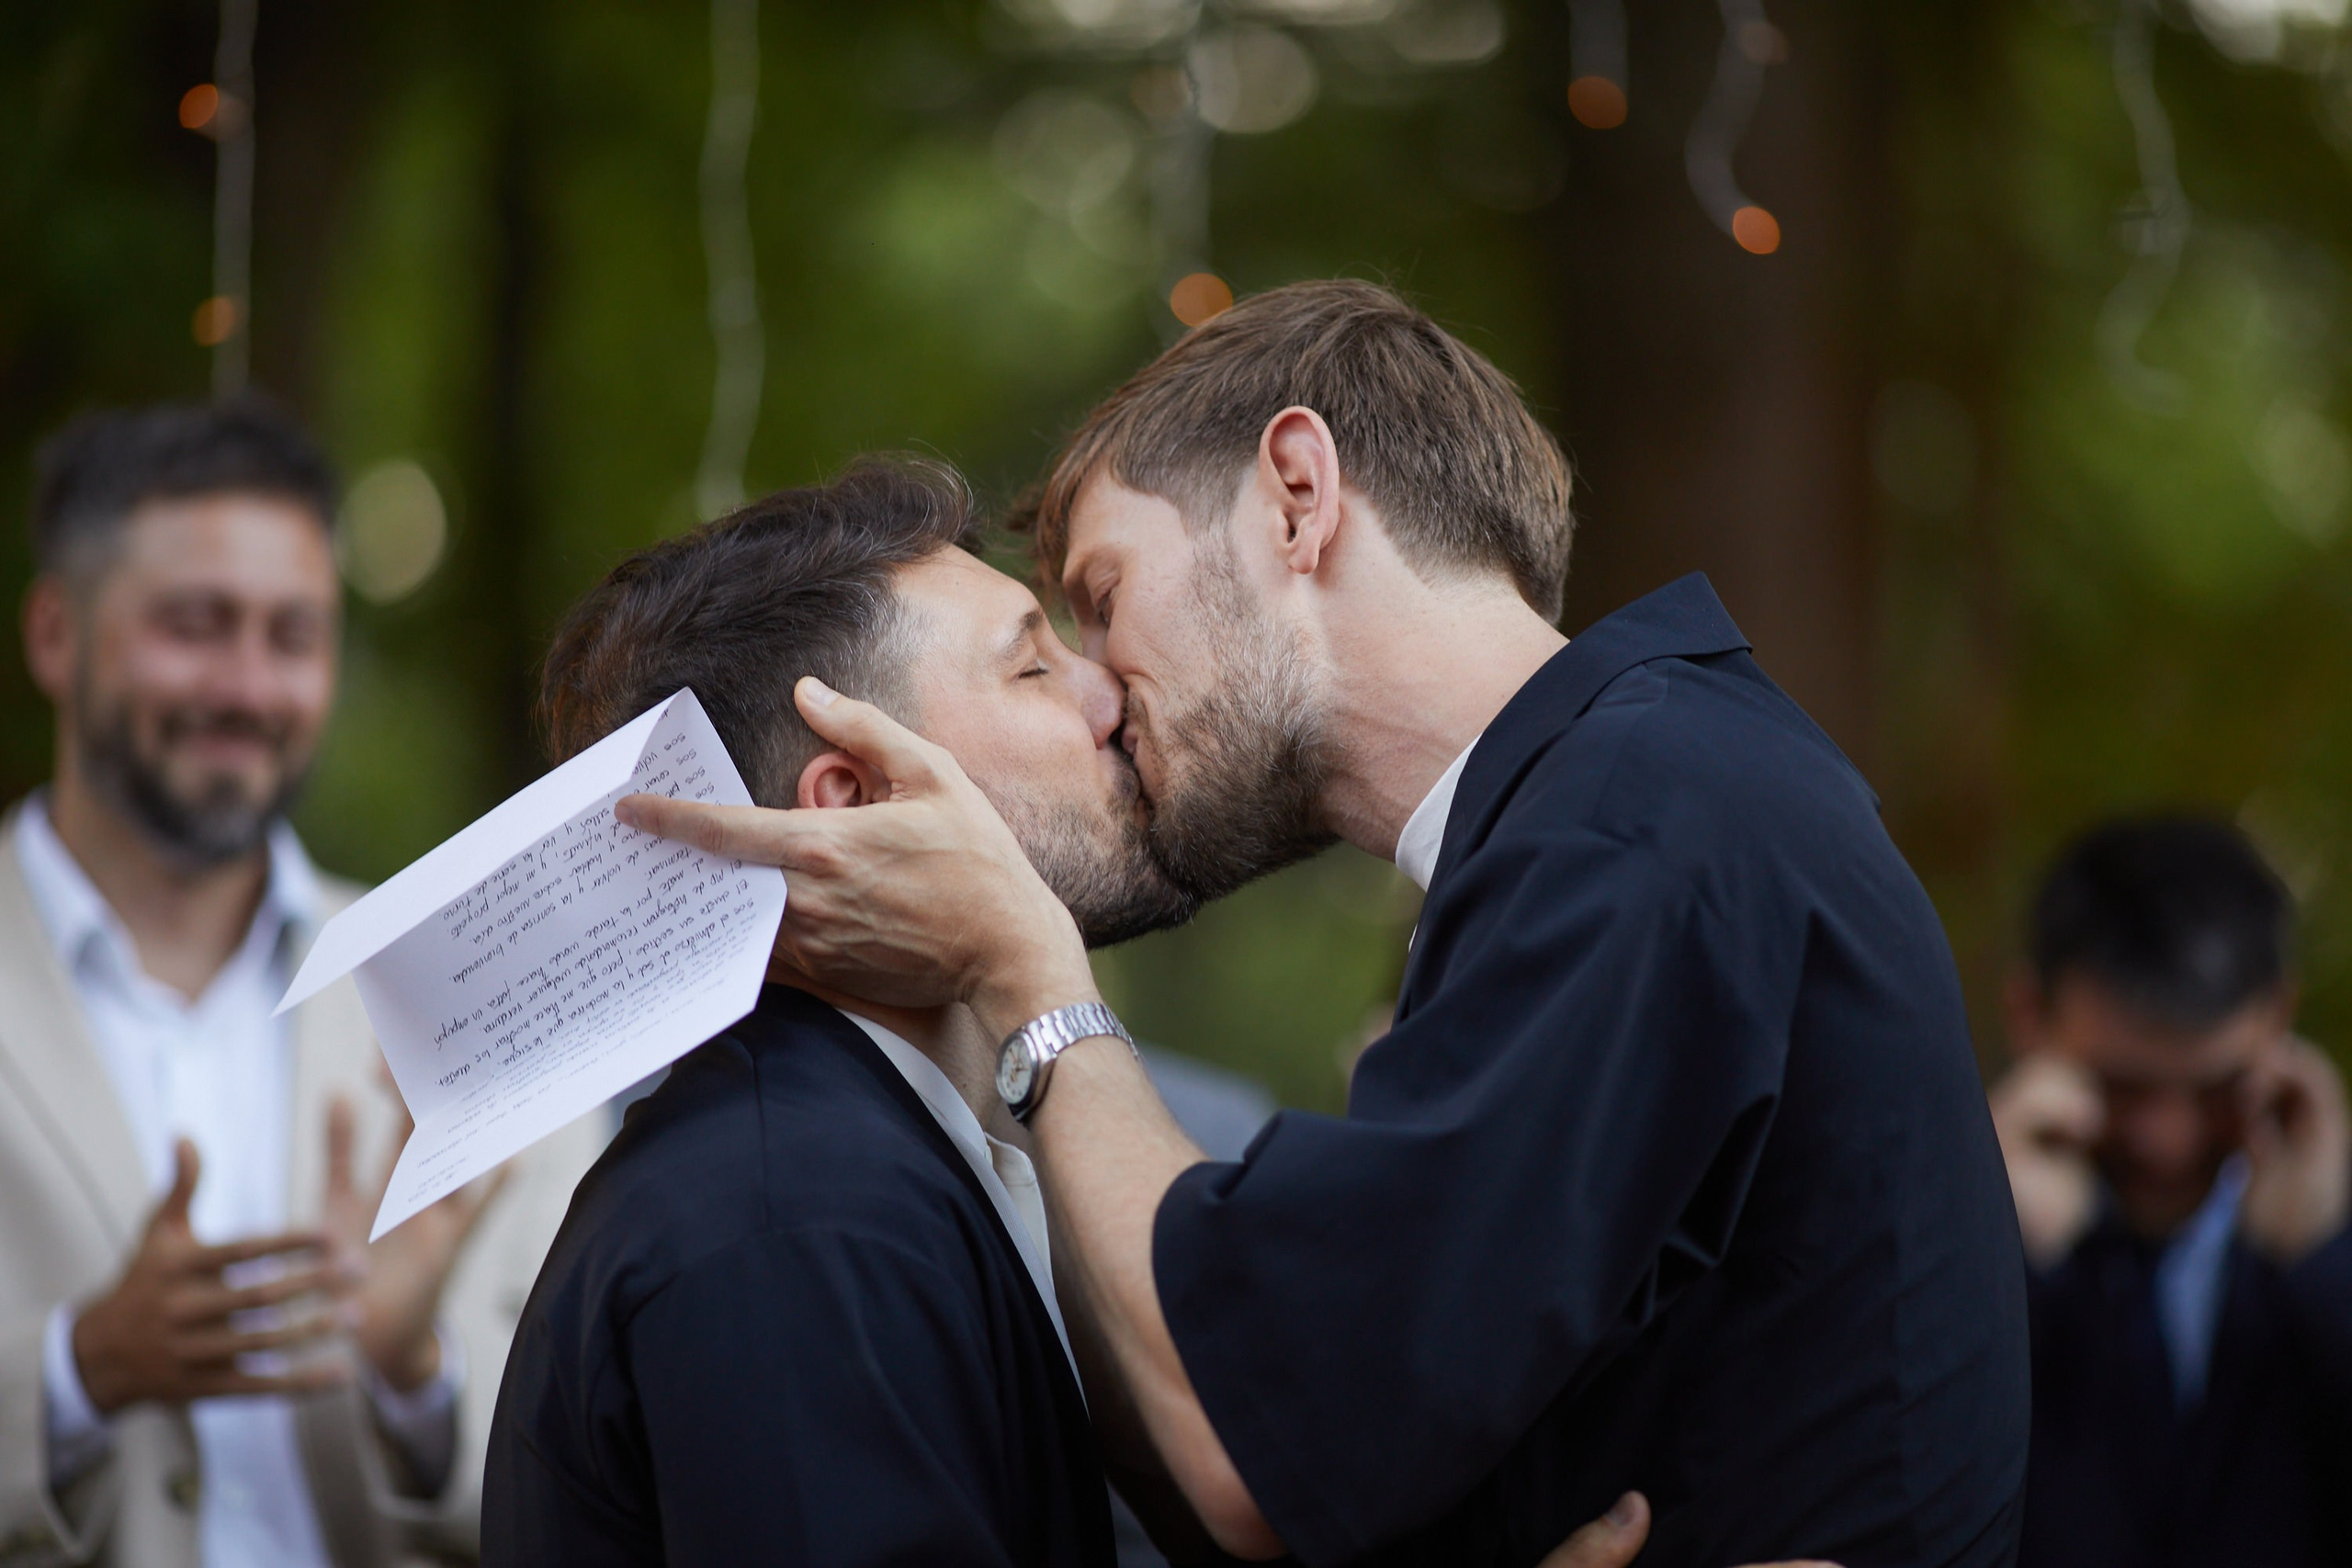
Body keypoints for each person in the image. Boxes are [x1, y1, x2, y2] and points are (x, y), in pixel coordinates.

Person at [618, 279, 2030, 1567]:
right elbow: (1352, 1473)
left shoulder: (1635, 815)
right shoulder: (1635, 794)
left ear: (1297, 494)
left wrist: (1034, 977)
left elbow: (1265, 1436)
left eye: (1103, 597)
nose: (1104, 692)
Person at [489, 459, 1838, 1568]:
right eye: (1030, 666)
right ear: (854, 810)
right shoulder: (796, 1213)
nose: (1103, 690)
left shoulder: (872, 1164)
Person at [0, 400, 602, 1568]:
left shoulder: (472, 995)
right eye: (195, 624)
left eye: (294, 636)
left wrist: (412, 1378)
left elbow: (592, 1481)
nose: (248, 688)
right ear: (56, 635)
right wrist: (80, 1374)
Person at [1989, 817, 2352, 1568]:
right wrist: (1992, 1255)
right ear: (2030, 1015)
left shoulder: (2329, 1255)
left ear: (2278, 1016)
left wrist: (2323, 1264)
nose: (2167, 1140)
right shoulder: (1948, 1239)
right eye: (2122, 1087)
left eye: (2213, 1087)